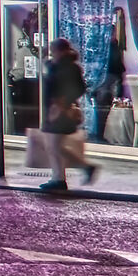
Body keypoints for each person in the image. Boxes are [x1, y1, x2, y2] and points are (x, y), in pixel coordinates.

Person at [38, 37, 98, 190]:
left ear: (62, 51)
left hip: (61, 110)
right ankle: (78, 170)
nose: (53, 54)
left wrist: (63, 102)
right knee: (54, 146)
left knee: (53, 146)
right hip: (55, 109)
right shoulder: (55, 66)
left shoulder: (70, 68)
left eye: (54, 51)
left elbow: (78, 88)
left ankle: (59, 178)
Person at [93, 9, 130, 143]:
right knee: (102, 111)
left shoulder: (107, 47)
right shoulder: (109, 47)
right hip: (107, 82)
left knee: (103, 111)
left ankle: (100, 134)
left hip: (108, 82)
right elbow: (116, 66)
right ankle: (99, 135)